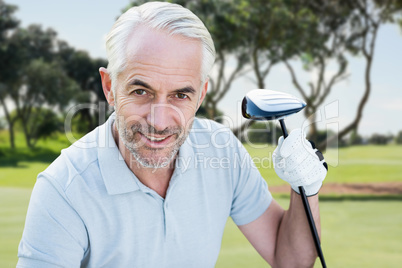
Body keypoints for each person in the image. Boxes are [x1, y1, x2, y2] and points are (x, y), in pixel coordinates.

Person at [17, 2, 327, 268]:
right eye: (141, 91)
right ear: (110, 87)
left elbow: (290, 259)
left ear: (201, 95)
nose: (160, 121)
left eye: (180, 95)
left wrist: (306, 189)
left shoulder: (222, 151)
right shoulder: (63, 190)